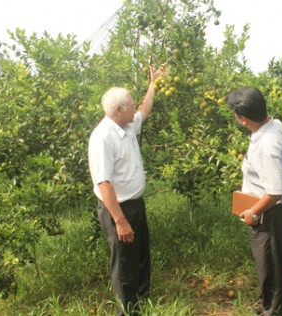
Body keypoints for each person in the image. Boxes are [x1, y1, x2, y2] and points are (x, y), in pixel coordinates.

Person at [88, 66, 165, 315]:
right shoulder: (103, 137)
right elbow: (104, 183)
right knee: (123, 261)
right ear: (118, 110)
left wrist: (153, 84)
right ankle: (128, 310)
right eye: (130, 105)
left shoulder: (127, 126)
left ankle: (142, 299)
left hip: (135, 203)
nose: (134, 108)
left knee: (140, 253)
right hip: (117, 208)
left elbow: (145, 110)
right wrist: (120, 220)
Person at [228, 87, 282, 316]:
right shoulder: (273, 125)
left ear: (243, 120)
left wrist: (252, 212)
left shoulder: (267, 145)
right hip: (267, 212)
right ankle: (268, 305)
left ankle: (273, 311)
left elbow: (275, 191)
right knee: (266, 266)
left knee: (271, 270)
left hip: (269, 214)